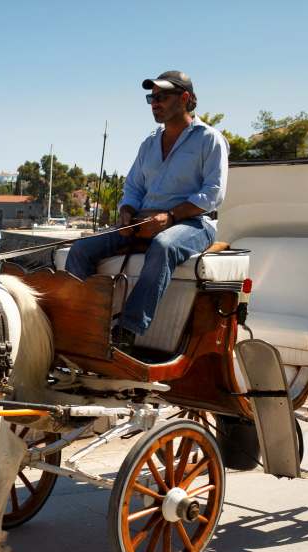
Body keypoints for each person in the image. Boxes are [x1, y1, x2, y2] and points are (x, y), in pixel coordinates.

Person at [65, 70, 228, 348]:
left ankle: (127, 331)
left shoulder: (209, 139)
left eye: (162, 96)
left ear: (185, 97)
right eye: (152, 97)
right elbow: (133, 188)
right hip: (143, 221)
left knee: (164, 246)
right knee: (81, 249)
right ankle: (81, 322)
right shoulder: (149, 143)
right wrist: (127, 210)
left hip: (193, 223)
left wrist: (171, 217)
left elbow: (213, 193)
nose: (155, 102)